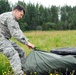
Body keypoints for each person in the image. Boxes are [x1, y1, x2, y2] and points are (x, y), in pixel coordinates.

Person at [0, 5, 35, 75]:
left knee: (21, 52)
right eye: (21, 14)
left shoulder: (14, 20)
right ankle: (19, 73)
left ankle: (24, 69)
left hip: (4, 38)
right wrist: (27, 43)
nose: (21, 17)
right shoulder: (9, 17)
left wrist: (27, 42)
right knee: (13, 54)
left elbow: (19, 31)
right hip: (1, 38)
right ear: (16, 11)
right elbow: (15, 33)